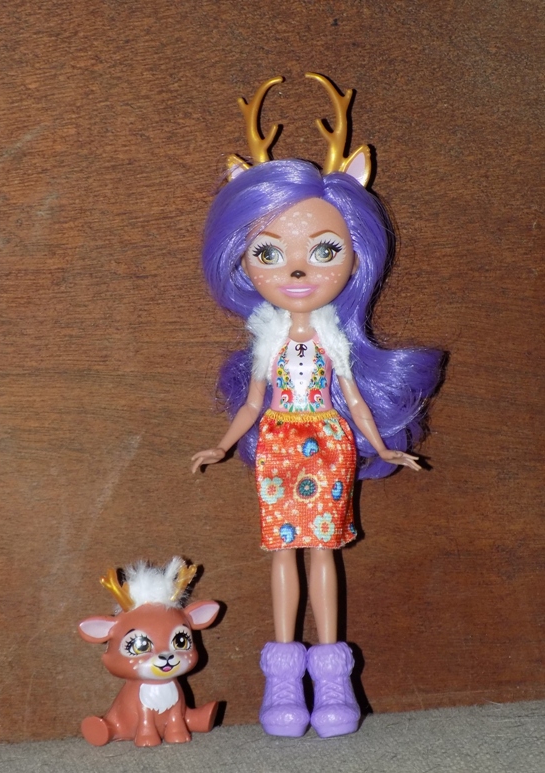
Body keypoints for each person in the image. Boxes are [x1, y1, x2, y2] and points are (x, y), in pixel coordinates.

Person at [192, 75, 442, 738]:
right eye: (270, 253)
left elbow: (353, 396)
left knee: (324, 550)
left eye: (324, 250)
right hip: (278, 446)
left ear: (354, 257)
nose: (298, 271)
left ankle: (332, 680)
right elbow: (254, 401)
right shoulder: (267, 338)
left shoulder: (333, 337)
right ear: (243, 260)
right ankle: (282, 681)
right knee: (283, 551)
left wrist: (381, 446)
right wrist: (222, 444)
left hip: (329, 444)